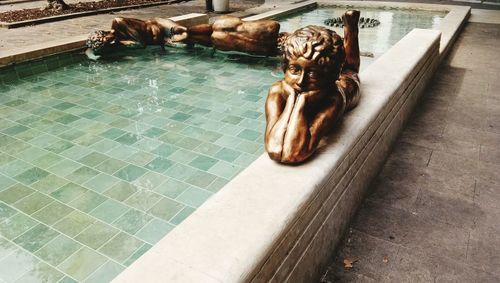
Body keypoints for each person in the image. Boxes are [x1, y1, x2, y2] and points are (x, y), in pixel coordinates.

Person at [264, 10, 361, 164]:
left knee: (350, 70)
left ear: (329, 78)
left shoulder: (334, 99)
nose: (301, 82)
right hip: (326, 80)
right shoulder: (277, 91)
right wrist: (293, 100)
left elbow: (294, 153)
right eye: (295, 70)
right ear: (285, 67)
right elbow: (275, 149)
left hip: (346, 86)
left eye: (313, 74)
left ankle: (351, 29)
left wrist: (300, 101)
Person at [175, 15, 286, 56]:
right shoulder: (268, 49)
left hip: (230, 33)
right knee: (212, 37)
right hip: (229, 40)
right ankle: (188, 35)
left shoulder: (274, 27)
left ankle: (187, 33)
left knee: (212, 34)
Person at [86, 17, 188, 56]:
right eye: (107, 45)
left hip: (158, 25)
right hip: (162, 40)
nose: (110, 43)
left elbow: (140, 43)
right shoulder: (117, 40)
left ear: (104, 33)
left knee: (185, 32)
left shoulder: (119, 23)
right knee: (188, 44)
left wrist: (120, 44)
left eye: (106, 41)